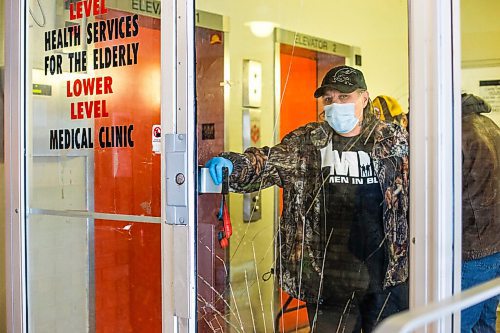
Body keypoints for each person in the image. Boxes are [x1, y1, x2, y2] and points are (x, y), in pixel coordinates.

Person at [206, 65, 409, 332]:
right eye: (329, 99)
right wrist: (236, 165)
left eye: (344, 97)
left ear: (364, 97)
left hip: (385, 279)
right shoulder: (308, 142)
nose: (335, 105)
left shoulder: (393, 142)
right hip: (328, 283)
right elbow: (268, 162)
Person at [460, 93, 500, 333]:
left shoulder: (460, 133)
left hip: (473, 247)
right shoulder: (489, 125)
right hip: (494, 243)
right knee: (484, 323)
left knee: (458, 324)